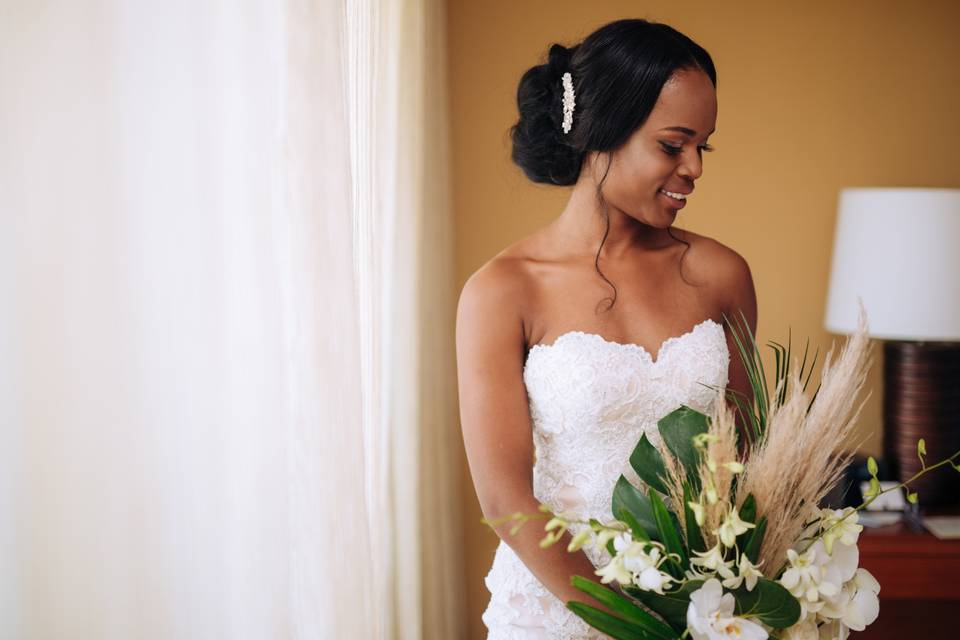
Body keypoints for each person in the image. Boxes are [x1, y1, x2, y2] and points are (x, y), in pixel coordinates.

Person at [455, 18, 758, 639]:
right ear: (603, 133)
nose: (694, 167)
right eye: (673, 145)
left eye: (704, 145)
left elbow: (749, 458)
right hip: (560, 610)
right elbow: (506, 500)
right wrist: (635, 626)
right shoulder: (502, 289)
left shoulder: (722, 274)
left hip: (700, 614)